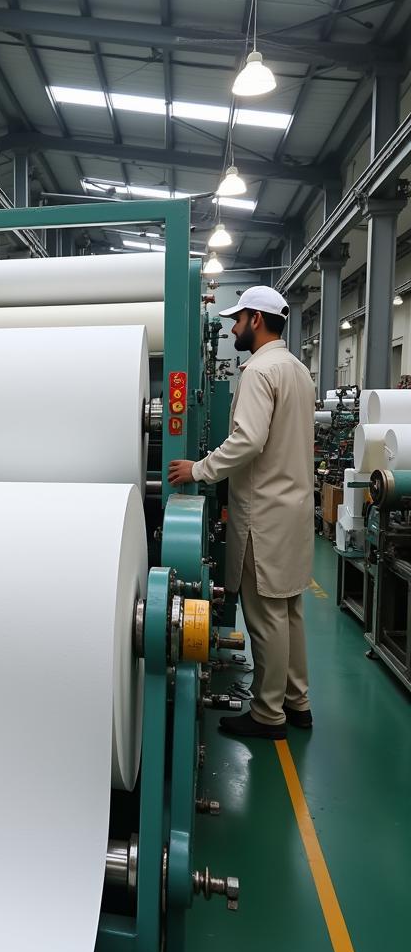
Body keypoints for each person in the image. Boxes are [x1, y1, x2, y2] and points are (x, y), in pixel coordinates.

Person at [168, 286, 315, 739]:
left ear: (256, 319)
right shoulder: (296, 370)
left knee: (264, 615)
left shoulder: (259, 372)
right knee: (288, 609)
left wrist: (200, 468)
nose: (232, 328)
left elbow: (248, 441)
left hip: (264, 513)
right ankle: (297, 701)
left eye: (237, 320)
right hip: (291, 507)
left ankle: (268, 715)